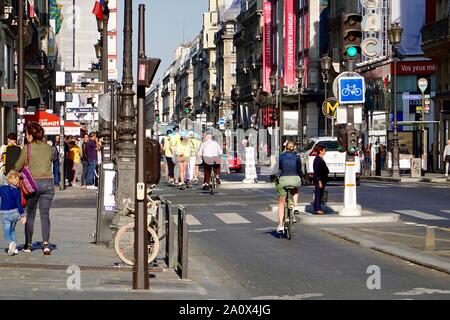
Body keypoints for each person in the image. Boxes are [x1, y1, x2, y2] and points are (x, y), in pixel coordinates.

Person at [15, 122, 55, 255]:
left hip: (32, 184)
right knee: (45, 214)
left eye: (27, 134)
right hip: (48, 183)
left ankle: (28, 244)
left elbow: (18, 166)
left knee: (30, 215)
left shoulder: (27, 148)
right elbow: (51, 160)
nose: (26, 137)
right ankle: (46, 244)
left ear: (31, 135)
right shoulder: (49, 148)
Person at [272, 141, 302, 233]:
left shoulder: (281, 157)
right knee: (296, 189)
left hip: (283, 179)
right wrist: (301, 176)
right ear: (294, 147)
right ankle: (295, 206)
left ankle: (281, 224)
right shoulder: (297, 157)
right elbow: (299, 170)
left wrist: (273, 177)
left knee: (281, 202)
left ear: (285, 147)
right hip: (295, 179)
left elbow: (277, 169)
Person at [0, 171, 26, 256]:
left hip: (5, 213)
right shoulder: (17, 191)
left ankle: (11, 243)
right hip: (15, 213)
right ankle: (14, 248)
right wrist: (22, 215)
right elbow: (19, 205)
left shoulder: (2, 188)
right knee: (13, 230)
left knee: (7, 230)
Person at [313, 145, 330, 215]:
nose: (325, 151)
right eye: (324, 150)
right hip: (319, 179)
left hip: (323, 179)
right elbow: (316, 171)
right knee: (318, 194)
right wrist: (319, 181)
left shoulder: (321, 158)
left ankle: (318, 208)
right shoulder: (317, 159)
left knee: (320, 194)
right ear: (320, 151)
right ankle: (317, 209)